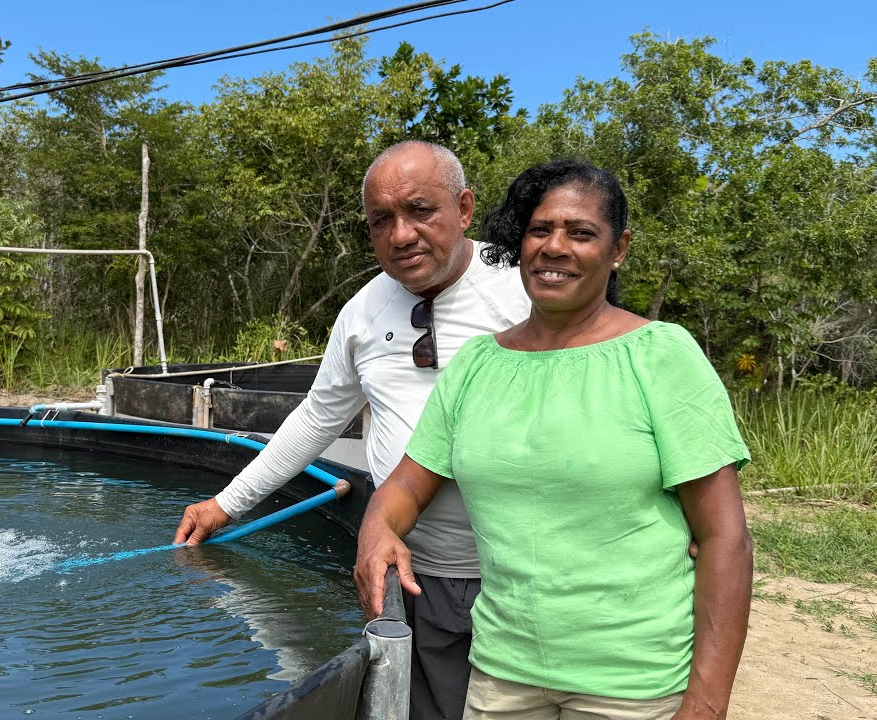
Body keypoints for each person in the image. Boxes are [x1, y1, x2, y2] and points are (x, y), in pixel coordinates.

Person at [354, 159, 753, 720]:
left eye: (582, 232)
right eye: (539, 230)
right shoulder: (477, 364)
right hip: (500, 675)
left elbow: (725, 539)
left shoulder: (663, 356)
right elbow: (406, 484)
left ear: (619, 249)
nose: (555, 247)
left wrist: (706, 706)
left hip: (633, 683)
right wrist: (377, 532)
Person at [174, 140, 532, 720]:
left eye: (421, 211)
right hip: (417, 578)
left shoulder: (524, 289)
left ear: (464, 209)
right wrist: (225, 504)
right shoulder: (363, 311)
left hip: (527, 573)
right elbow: (319, 417)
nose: (401, 235)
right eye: (381, 220)